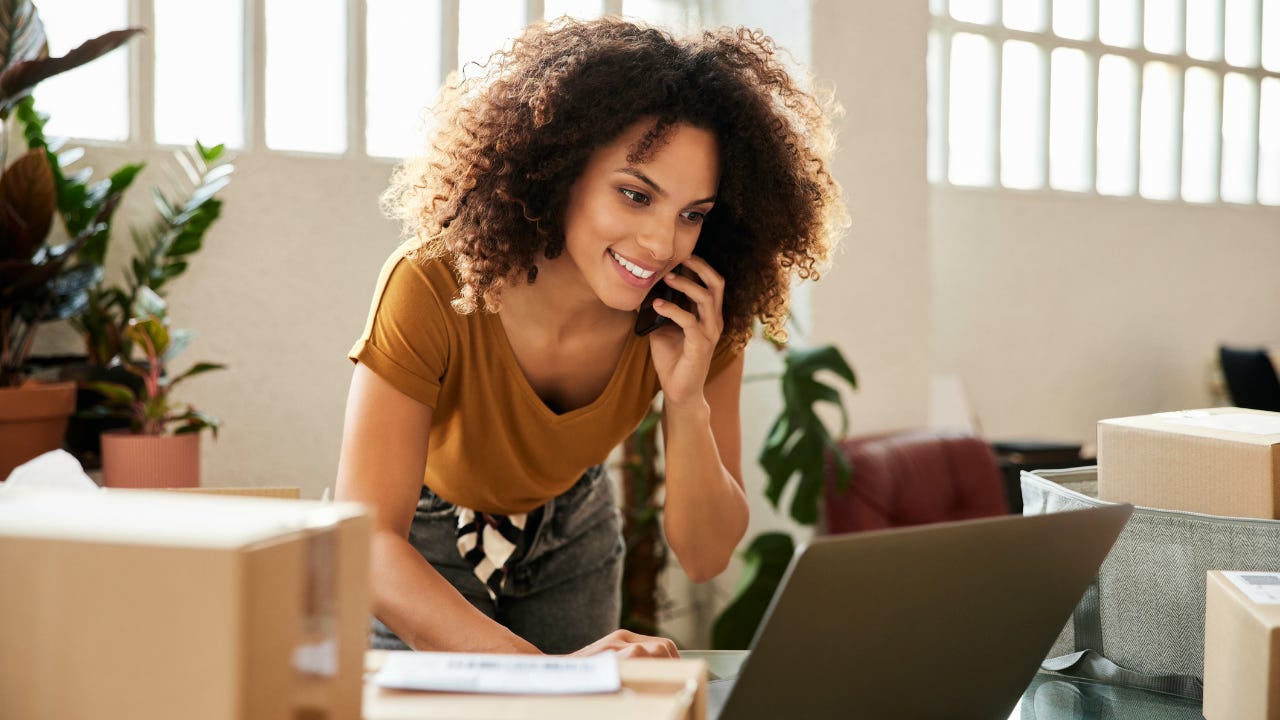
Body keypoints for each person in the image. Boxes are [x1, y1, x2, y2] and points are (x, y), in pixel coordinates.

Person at [336, 16, 845, 658]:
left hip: (572, 528)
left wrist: (686, 401)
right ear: (560, 169)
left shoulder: (696, 312)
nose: (662, 243)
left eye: (692, 214)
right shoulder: (434, 282)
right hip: (420, 542)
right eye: (635, 195)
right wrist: (546, 674)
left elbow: (706, 555)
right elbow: (371, 539)